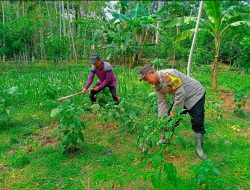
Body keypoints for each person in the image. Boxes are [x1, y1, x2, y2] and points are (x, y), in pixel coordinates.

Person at [139, 66, 207, 160]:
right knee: (171, 121)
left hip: (195, 95)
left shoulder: (168, 75)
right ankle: (165, 139)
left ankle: (199, 148)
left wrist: (173, 112)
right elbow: (161, 102)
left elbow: (180, 93)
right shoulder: (157, 86)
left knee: (197, 121)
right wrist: (162, 119)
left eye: (147, 78)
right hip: (181, 98)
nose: (147, 81)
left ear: (152, 72)